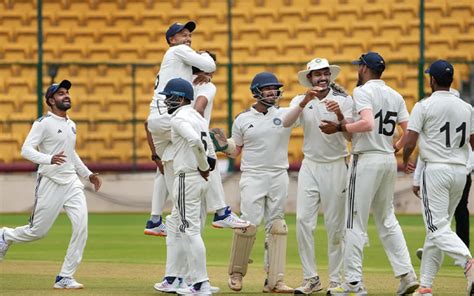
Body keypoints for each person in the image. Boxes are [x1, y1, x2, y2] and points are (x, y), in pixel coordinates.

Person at [321, 52, 419, 295]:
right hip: (387, 160)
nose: (357, 70)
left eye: (359, 67)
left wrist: (340, 127)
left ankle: (353, 283)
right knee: (387, 219)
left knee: (354, 221)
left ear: (364, 68)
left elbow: (367, 124)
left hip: (365, 159)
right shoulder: (395, 95)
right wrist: (395, 148)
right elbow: (408, 132)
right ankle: (407, 275)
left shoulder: (363, 91)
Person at [0, 80, 102, 289]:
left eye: (67, 92)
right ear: (50, 101)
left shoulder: (71, 125)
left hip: (71, 183)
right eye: (60, 93)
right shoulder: (43, 123)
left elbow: (71, 154)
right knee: (37, 232)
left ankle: (65, 276)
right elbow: (26, 150)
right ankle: (5, 235)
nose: (66, 96)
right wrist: (48, 159)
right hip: (50, 182)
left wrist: (88, 174)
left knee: (81, 227)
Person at [144, 21, 243, 235]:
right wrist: (207, 62)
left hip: (158, 120)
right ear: (172, 40)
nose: (188, 38)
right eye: (183, 34)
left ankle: (155, 220)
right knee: (208, 152)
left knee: (166, 166)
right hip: (173, 120)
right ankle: (221, 212)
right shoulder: (179, 53)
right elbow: (209, 69)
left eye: (189, 35)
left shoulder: (180, 76)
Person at [215, 72, 294, 293]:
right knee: (247, 224)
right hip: (253, 175)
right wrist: (224, 145)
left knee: (277, 226)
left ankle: (275, 280)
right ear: (256, 92)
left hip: (279, 174)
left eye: (275, 88)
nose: (272, 92)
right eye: (267, 88)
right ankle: (236, 274)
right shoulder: (242, 119)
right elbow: (236, 150)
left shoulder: (286, 115)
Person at [281, 58, 353, 294]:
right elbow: (285, 123)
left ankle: (335, 280)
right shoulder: (302, 100)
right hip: (310, 165)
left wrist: (340, 117)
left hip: (336, 165)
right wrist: (304, 101)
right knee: (303, 221)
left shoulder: (344, 99)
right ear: (310, 79)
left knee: (335, 226)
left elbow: (351, 137)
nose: (322, 78)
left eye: (325, 74)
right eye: (317, 75)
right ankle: (311, 278)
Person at [402, 60, 474, 295]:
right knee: (436, 228)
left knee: (436, 227)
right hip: (460, 172)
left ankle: (468, 262)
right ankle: (425, 286)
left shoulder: (424, 106)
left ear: (432, 80)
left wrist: (405, 160)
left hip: (436, 171)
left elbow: (410, 141)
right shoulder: (467, 108)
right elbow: (473, 142)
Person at [156, 78, 219, 295]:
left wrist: (203, 166)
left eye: (169, 96)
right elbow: (209, 145)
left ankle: (201, 283)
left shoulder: (179, 119)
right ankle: (174, 278)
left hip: (187, 177)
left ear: (181, 98)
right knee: (174, 225)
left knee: (189, 230)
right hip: (197, 179)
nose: (166, 101)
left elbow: (196, 142)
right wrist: (209, 163)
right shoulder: (197, 116)